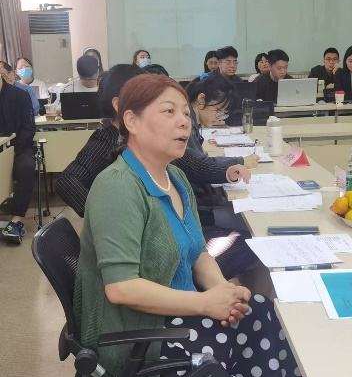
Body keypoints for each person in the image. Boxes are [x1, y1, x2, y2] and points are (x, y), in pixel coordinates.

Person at [73, 73, 318, 377]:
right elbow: (121, 288)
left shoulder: (173, 177)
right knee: (245, 333)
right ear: (132, 121)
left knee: (259, 311)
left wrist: (222, 292)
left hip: (174, 313)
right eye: (168, 111)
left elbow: (197, 251)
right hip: (139, 338)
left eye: (186, 113)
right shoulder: (118, 186)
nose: (183, 122)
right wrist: (205, 303)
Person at [55, 66, 254, 278]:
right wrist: (101, 214)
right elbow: (67, 181)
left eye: (185, 113)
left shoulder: (162, 156)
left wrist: (226, 171)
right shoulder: (108, 145)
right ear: (121, 107)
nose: (183, 121)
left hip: (161, 246)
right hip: (144, 262)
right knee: (248, 245)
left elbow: (193, 165)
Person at [186, 75, 259, 171]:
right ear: (201, 99)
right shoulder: (186, 125)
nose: (220, 118)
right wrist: (240, 162)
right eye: (219, 111)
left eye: (224, 114)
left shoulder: (192, 120)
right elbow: (200, 166)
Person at [0, 75, 36, 244]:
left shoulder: (20, 95)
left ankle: (16, 221)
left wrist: (13, 151)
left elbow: (29, 129)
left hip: (18, 148)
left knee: (26, 166)